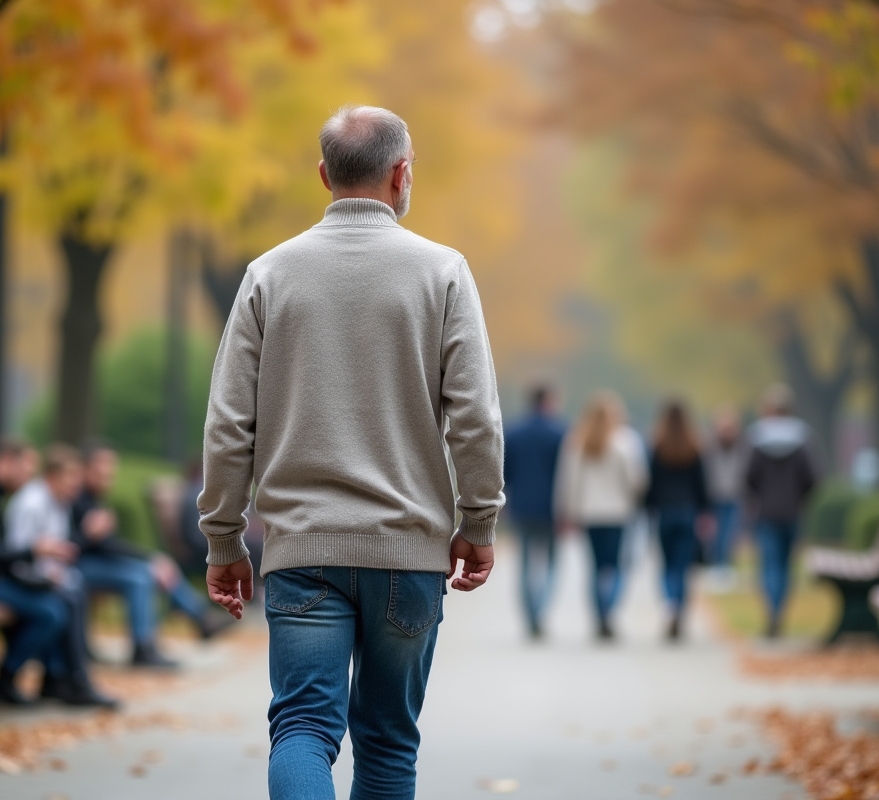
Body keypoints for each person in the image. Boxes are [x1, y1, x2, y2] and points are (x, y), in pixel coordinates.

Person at [199, 105, 504, 800]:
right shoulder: (443, 273)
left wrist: (223, 538)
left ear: (322, 175)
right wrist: (477, 524)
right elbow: (477, 420)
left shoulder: (268, 275)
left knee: (303, 727)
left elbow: (227, 425)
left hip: (304, 551)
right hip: (409, 553)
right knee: (389, 741)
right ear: (401, 174)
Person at [0, 437, 109, 707]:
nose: (30, 475)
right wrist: (36, 551)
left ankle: (57, 679)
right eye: (26, 467)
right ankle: (7, 680)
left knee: (56, 600)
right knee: (51, 611)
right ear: (5, 462)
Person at [70, 442, 228, 670]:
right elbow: (80, 545)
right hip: (77, 567)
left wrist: (149, 558)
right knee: (141, 577)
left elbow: (105, 545)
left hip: (92, 562)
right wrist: (89, 534)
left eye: (111, 469)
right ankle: (148, 646)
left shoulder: (93, 498)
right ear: (84, 469)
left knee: (151, 570)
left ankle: (193, 620)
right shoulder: (77, 498)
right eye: (102, 469)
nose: (108, 475)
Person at [3, 443, 119, 708]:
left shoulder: (59, 503)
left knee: (74, 589)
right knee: (67, 597)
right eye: (71, 480)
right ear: (53, 477)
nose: (76, 487)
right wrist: (53, 573)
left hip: (44, 576)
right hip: (22, 578)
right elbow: (18, 555)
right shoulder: (32, 503)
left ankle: (62, 679)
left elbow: (59, 550)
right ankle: (74, 681)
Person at [555, 391, 646, 640]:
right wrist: (635, 499)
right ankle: (610, 610)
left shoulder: (576, 441)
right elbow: (635, 480)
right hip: (618, 513)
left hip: (589, 513)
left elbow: (569, 481)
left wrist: (568, 510)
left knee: (595, 567)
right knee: (615, 566)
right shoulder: (625, 441)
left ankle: (599, 614)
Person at [745, 384, 818, 639]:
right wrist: (800, 498)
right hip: (792, 511)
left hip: (766, 512)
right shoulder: (802, 438)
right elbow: (812, 478)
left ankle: (772, 612)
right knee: (786, 566)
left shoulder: (757, 439)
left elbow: (748, 477)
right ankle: (780, 612)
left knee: (769, 565)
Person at [502, 386, 566, 638]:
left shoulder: (514, 432)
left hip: (522, 507)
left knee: (525, 564)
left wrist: (504, 502)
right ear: (548, 401)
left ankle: (530, 615)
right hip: (552, 508)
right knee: (551, 563)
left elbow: (504, 473)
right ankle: (540, 611)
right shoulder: (560, 432)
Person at [644, 399, 710, 641]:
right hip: (687, 511)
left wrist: (648, 508)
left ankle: (670, 604)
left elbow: (651, 483)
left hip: (664, 511)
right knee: (683, 566)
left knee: (667, 565)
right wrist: (705, 510)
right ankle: (680, 609)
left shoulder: (658, 446)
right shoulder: (694, 447)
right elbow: (702, 484)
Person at [704, 406, 747, 590]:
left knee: (731, 532)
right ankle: (717, 564)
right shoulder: (711, 447)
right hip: (716, 494)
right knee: (717, 532)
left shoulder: (742, 446)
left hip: (735, 494)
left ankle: (725, 564)